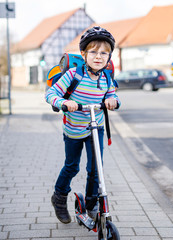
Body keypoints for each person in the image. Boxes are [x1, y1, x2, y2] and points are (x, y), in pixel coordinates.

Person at [45, 26, 121, 224]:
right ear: (83, 54)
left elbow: (112, 93)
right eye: (93, 51)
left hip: (96, 127)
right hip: (73, 128)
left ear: (109, 56)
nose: (99, 56)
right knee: (72, 167)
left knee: (96, 168)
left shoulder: (106, 77)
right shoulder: (73, 74)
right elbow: (50, 94)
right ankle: (59, 198)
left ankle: (91, 203)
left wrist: (113, 100)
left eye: (104, 52)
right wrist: (64, 102)